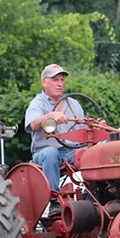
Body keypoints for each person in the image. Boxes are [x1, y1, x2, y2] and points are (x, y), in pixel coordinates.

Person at [25, 64, 85, 196]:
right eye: (55, 80)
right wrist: (50, 116)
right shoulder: (38, 103)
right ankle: (54, 199)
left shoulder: (74, 104)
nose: (59, 84)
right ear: (44, 82)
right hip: (44, 152)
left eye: (62, 80)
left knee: (91, 153)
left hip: (71, 151)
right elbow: (33, 125)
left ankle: (94, 195)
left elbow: (84, 132)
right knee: (51, 154)